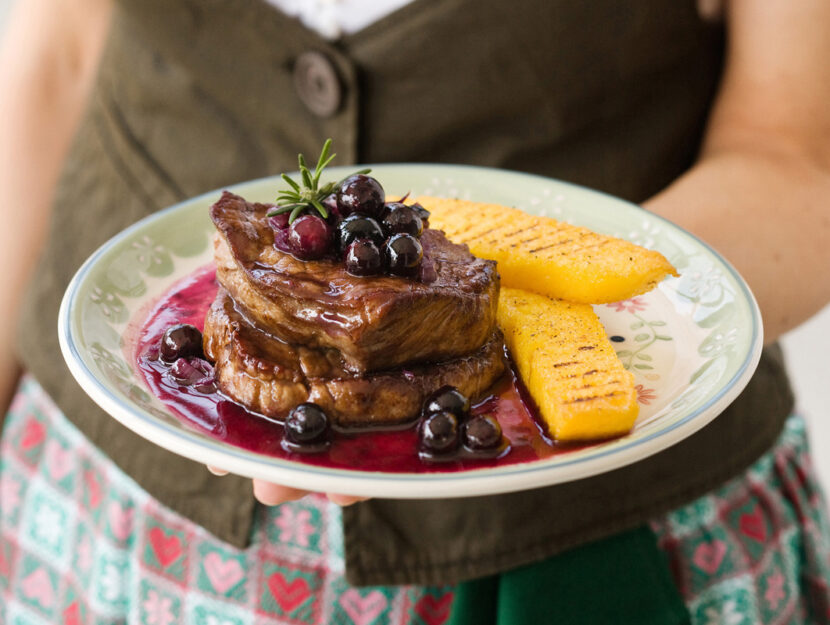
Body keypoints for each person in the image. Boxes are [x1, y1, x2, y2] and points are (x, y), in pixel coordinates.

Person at [1, 0, 829, 623]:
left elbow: (794, 155)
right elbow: (59, 57)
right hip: (111, 512)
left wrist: (592, 325)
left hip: (604, 530)